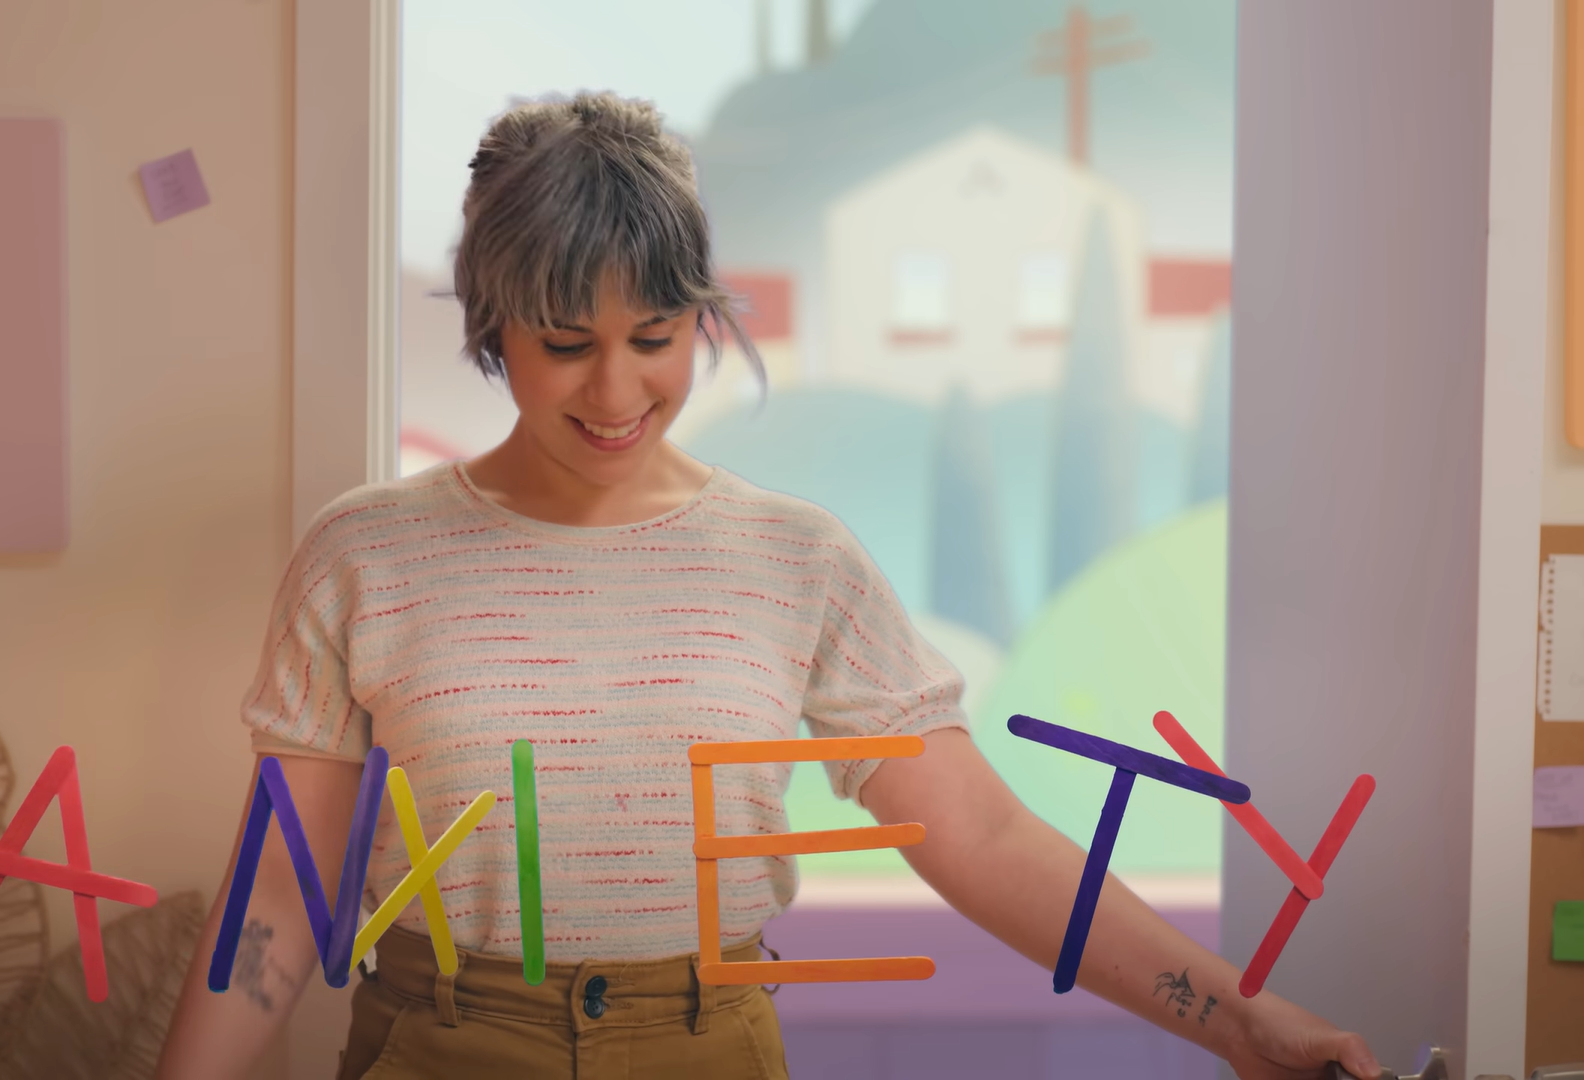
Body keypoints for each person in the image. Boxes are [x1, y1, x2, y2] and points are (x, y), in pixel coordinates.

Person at [154, 90, 1383, 1080]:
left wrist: (1235, 1020)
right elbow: (282, 883)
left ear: (703, 317)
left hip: (705, 1045)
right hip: (439, 1044)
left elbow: (985, 837)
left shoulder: (798, 559)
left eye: (656, 338)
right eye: (566, 348)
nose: (618, 393)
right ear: (494, 331)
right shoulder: (364, 554)